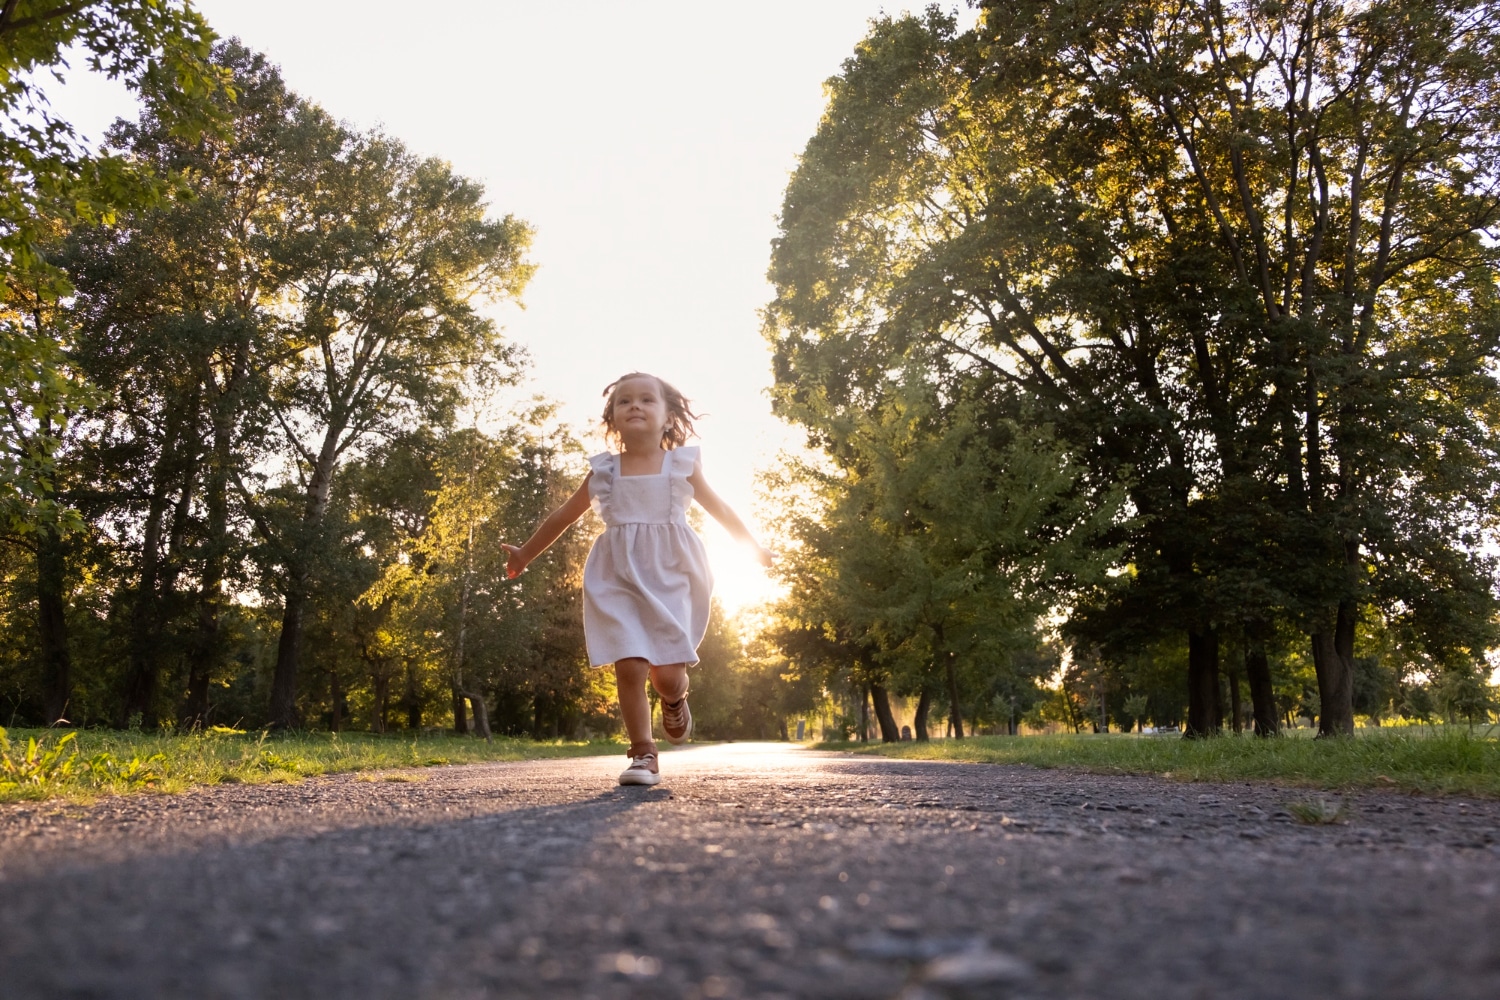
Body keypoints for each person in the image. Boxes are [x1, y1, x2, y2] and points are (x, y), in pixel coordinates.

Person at [502, 372, 774, 786]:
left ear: (668, 418)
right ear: (612, 418)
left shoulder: (682, 465)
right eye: (625, 401)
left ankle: (674, 697)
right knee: (629, 665)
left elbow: (721, 508)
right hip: (618, 575)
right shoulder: (604, 472)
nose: (635, 406)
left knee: (665, 673)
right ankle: (643, 753)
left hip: (672, 574)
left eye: (647, 400)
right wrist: (525, 553)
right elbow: (563, 516)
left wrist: (752, 547)